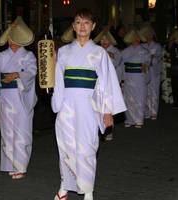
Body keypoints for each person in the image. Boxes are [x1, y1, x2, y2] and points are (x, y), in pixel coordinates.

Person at [51, 9, 126, 200]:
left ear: (92, 27)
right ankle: (64, 186)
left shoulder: (100, 53)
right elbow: (58, 80)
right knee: (66, 146)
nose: (82, 26)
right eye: (78, 22)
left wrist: (107, 111)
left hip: (89, 105)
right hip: (67, 104)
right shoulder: (64, 52)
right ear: (73, 26)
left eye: (86, 23)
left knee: (87, 147)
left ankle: (88, 190)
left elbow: (106, 83)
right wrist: (57, 104)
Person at [0, 16, 37, 179]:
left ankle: (21, 166)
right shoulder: (2, 56)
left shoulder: (27, 56)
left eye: (15, 38)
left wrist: (17, 74)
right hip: (6, 97)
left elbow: (32, 71)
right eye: (10, 38)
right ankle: (11, 163)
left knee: (22, 131)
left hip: (20, 97)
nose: (12, 41)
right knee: (7, 131)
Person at [93, 27, 124, 140]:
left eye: (106, 39)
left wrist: (107, 54)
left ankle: (108, 130)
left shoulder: (114, 51)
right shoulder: (95, 50)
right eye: (102, 39)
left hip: (109, 84)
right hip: (97, 84)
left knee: (108, 108)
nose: (104, 41)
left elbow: (117, 62)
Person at [122, 27, 151, 128]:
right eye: (134, 38)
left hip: (139, 77)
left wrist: (145, 65)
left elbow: (148, 59)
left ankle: (139, 119)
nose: (137, 39)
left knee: (139, 98)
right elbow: (120, 61)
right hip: (128, 77)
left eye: (138, 38)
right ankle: (129, 119)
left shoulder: (144, 51)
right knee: (128, 98)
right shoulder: (126, 51)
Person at [139, 24, 163, 120]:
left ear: (152, 36)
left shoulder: (157, 46)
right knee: (146, 90)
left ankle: (154, 111)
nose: (148, 37)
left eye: (149, 36)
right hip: (145, 69)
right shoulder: (142, 46)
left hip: (153, 70)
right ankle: (147, 111)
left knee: (154, 91)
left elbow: (157, 56)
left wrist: (149, 57)